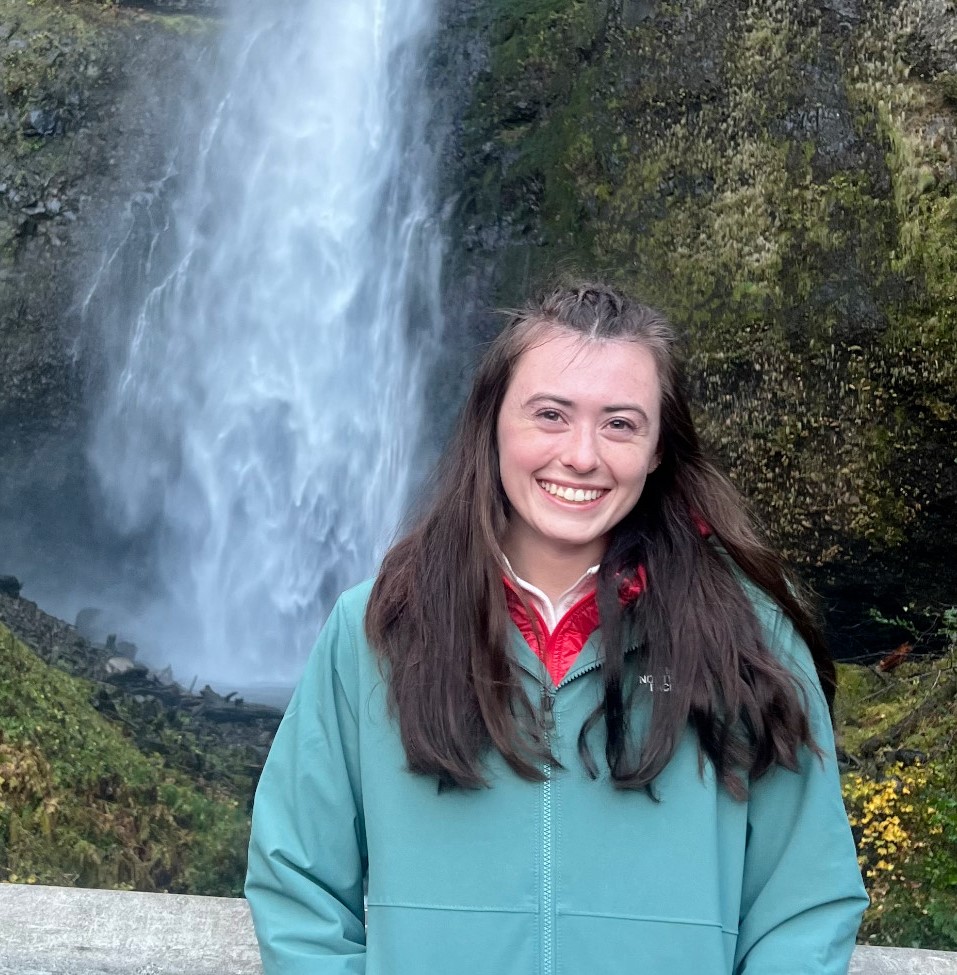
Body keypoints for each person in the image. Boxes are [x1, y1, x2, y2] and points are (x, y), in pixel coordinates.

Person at [245, 282, 868, 974]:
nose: (579, 455)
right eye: (549, 414)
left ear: (659, 447)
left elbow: (803, 904)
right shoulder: (378, 630)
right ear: (492, 422)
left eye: (619, 424)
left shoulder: (748, 640)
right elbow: (297, 887)